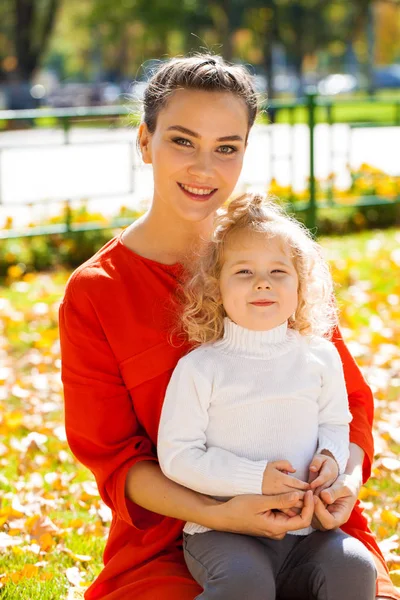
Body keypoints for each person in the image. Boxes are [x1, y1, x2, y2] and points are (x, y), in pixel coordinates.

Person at [59, 54, 399, 600]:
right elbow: (119, 463)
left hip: (309, 528)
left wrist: (345, 485)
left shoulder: (272, 262)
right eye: (182, 141)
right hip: (176, 540)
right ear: (144, 142)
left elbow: (348, 410)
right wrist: (225, 511)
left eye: (226, 148)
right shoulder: (97, 291)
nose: (204, 168)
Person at [157, 193, 376, 599]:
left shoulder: (319, 355)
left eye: (279, 271)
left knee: (354, 568)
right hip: (226, 530)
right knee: (246, 583)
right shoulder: (201, 368)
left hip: (307, 527)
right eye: (243, 272)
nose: (263, 282)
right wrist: (253, 478)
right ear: (215, 288)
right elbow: (178, 455)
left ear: (301, 286)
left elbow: (335, 422)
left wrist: (330, 458)